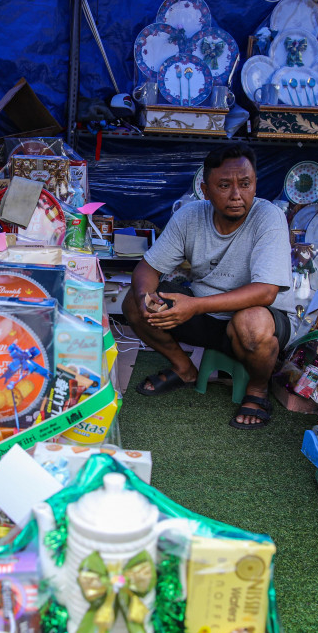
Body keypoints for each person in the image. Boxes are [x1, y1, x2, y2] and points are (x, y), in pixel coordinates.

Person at [122, 144, 292, 429]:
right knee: (133, 304)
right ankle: (184, 368)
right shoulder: (190, 216)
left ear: (255, 184)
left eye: (245, 184)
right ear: (205, 189)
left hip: (258, 320)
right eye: (224, 185)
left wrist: (195, 306)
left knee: (252, 323)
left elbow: (266, 292)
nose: (237, 195)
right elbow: (147, 269)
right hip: (203, 316)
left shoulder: (269, 216)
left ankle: (257, 390)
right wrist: (144, 297)